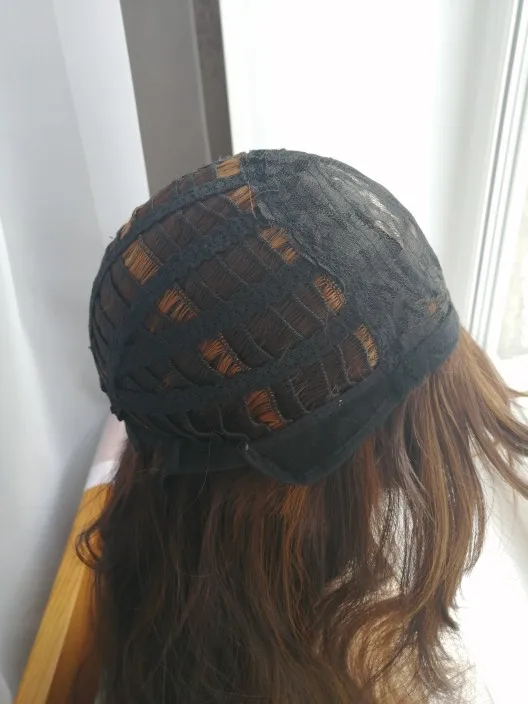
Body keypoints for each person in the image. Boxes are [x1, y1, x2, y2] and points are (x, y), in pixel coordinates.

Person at [82, 150, 528, 703]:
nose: (393, 488)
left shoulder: (160, 530)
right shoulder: (311, 668)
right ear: (279, 510)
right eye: (387, 454)